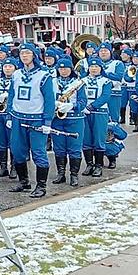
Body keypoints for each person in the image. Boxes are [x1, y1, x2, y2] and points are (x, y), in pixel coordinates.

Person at [7, 43, 56, 198]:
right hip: (17, 117)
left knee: (38, 152)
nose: (24, 55)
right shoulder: (16, 74)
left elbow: (50, 100)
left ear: (34, 55)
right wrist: (9, 115)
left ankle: (41, 186)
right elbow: (11, 96)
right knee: (17, 151)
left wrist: (47, 121)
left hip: (36, 119)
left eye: (28, 53)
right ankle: (24, 181)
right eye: (22, 53)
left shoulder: (44, 75)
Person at [51, 57, 86, 187]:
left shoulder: (78, 83)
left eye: (66, 68)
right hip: (57, 118)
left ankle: (74, 175)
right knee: (59, 148)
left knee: (74, 148)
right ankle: (61, 174)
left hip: (74, 119)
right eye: (60, 68)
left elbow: (83, 102)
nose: (63, 71)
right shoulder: (52, 82)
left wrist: (72, 106)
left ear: (71, 69)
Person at [81, 57, 112, 177]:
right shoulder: (82, 81)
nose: (94, 69)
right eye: (91, 67)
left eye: (96, 67)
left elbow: (105, 96)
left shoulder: (106, 81)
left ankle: (98, 165)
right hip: (84, 112)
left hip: (99, 112)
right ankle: (89, 164)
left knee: (99, 139)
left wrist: (92, 106)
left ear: (100, 68)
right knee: (86, 139)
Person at [0, 57, 17, 178]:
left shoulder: (18, 80)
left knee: (13, 142)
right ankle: (3, 166)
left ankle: (14, 167)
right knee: (1, 142)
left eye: (10, 66)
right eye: (5, 67)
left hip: (11, 114)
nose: (7, 69)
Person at [98, 42, 125, 128]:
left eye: (105, 50)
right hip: (99, 95)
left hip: (114, 94)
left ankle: (115, 138)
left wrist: (105, 74)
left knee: (114, 118)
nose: (103, 52)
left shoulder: (117, 63)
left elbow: (119, 76)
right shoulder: (95, 64)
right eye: (101, 51)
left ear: (110, 51)